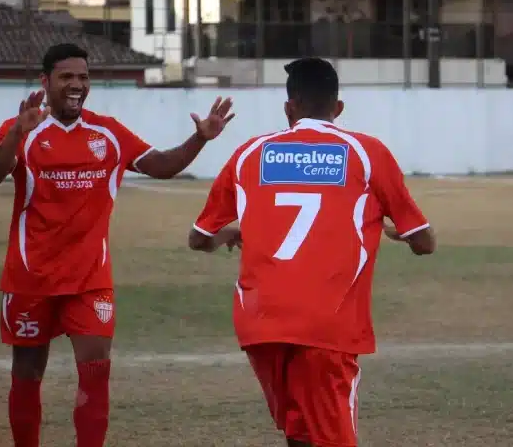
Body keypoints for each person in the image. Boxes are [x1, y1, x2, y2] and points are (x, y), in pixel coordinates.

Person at [0, 42, 234, 447]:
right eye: (67, 77)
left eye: (83, 77)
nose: (76, 85)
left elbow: (163, 166)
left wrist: (199, 139)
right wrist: (15, 133)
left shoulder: (108, 132)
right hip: (30, 279)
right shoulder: (24, 130)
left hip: (89, 281)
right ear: (46, 82)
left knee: (95, 377)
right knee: (26, 378)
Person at [187, 57, 436, 447]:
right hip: (327, 324)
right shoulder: (366, 152)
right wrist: (395, 233)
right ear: (338, 109)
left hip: (260, 323)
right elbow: (424, 241)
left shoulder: (250, 153)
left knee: (299, 431)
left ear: (289, 108)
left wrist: (228, 235)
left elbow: (199, 237)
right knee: (330, 436)